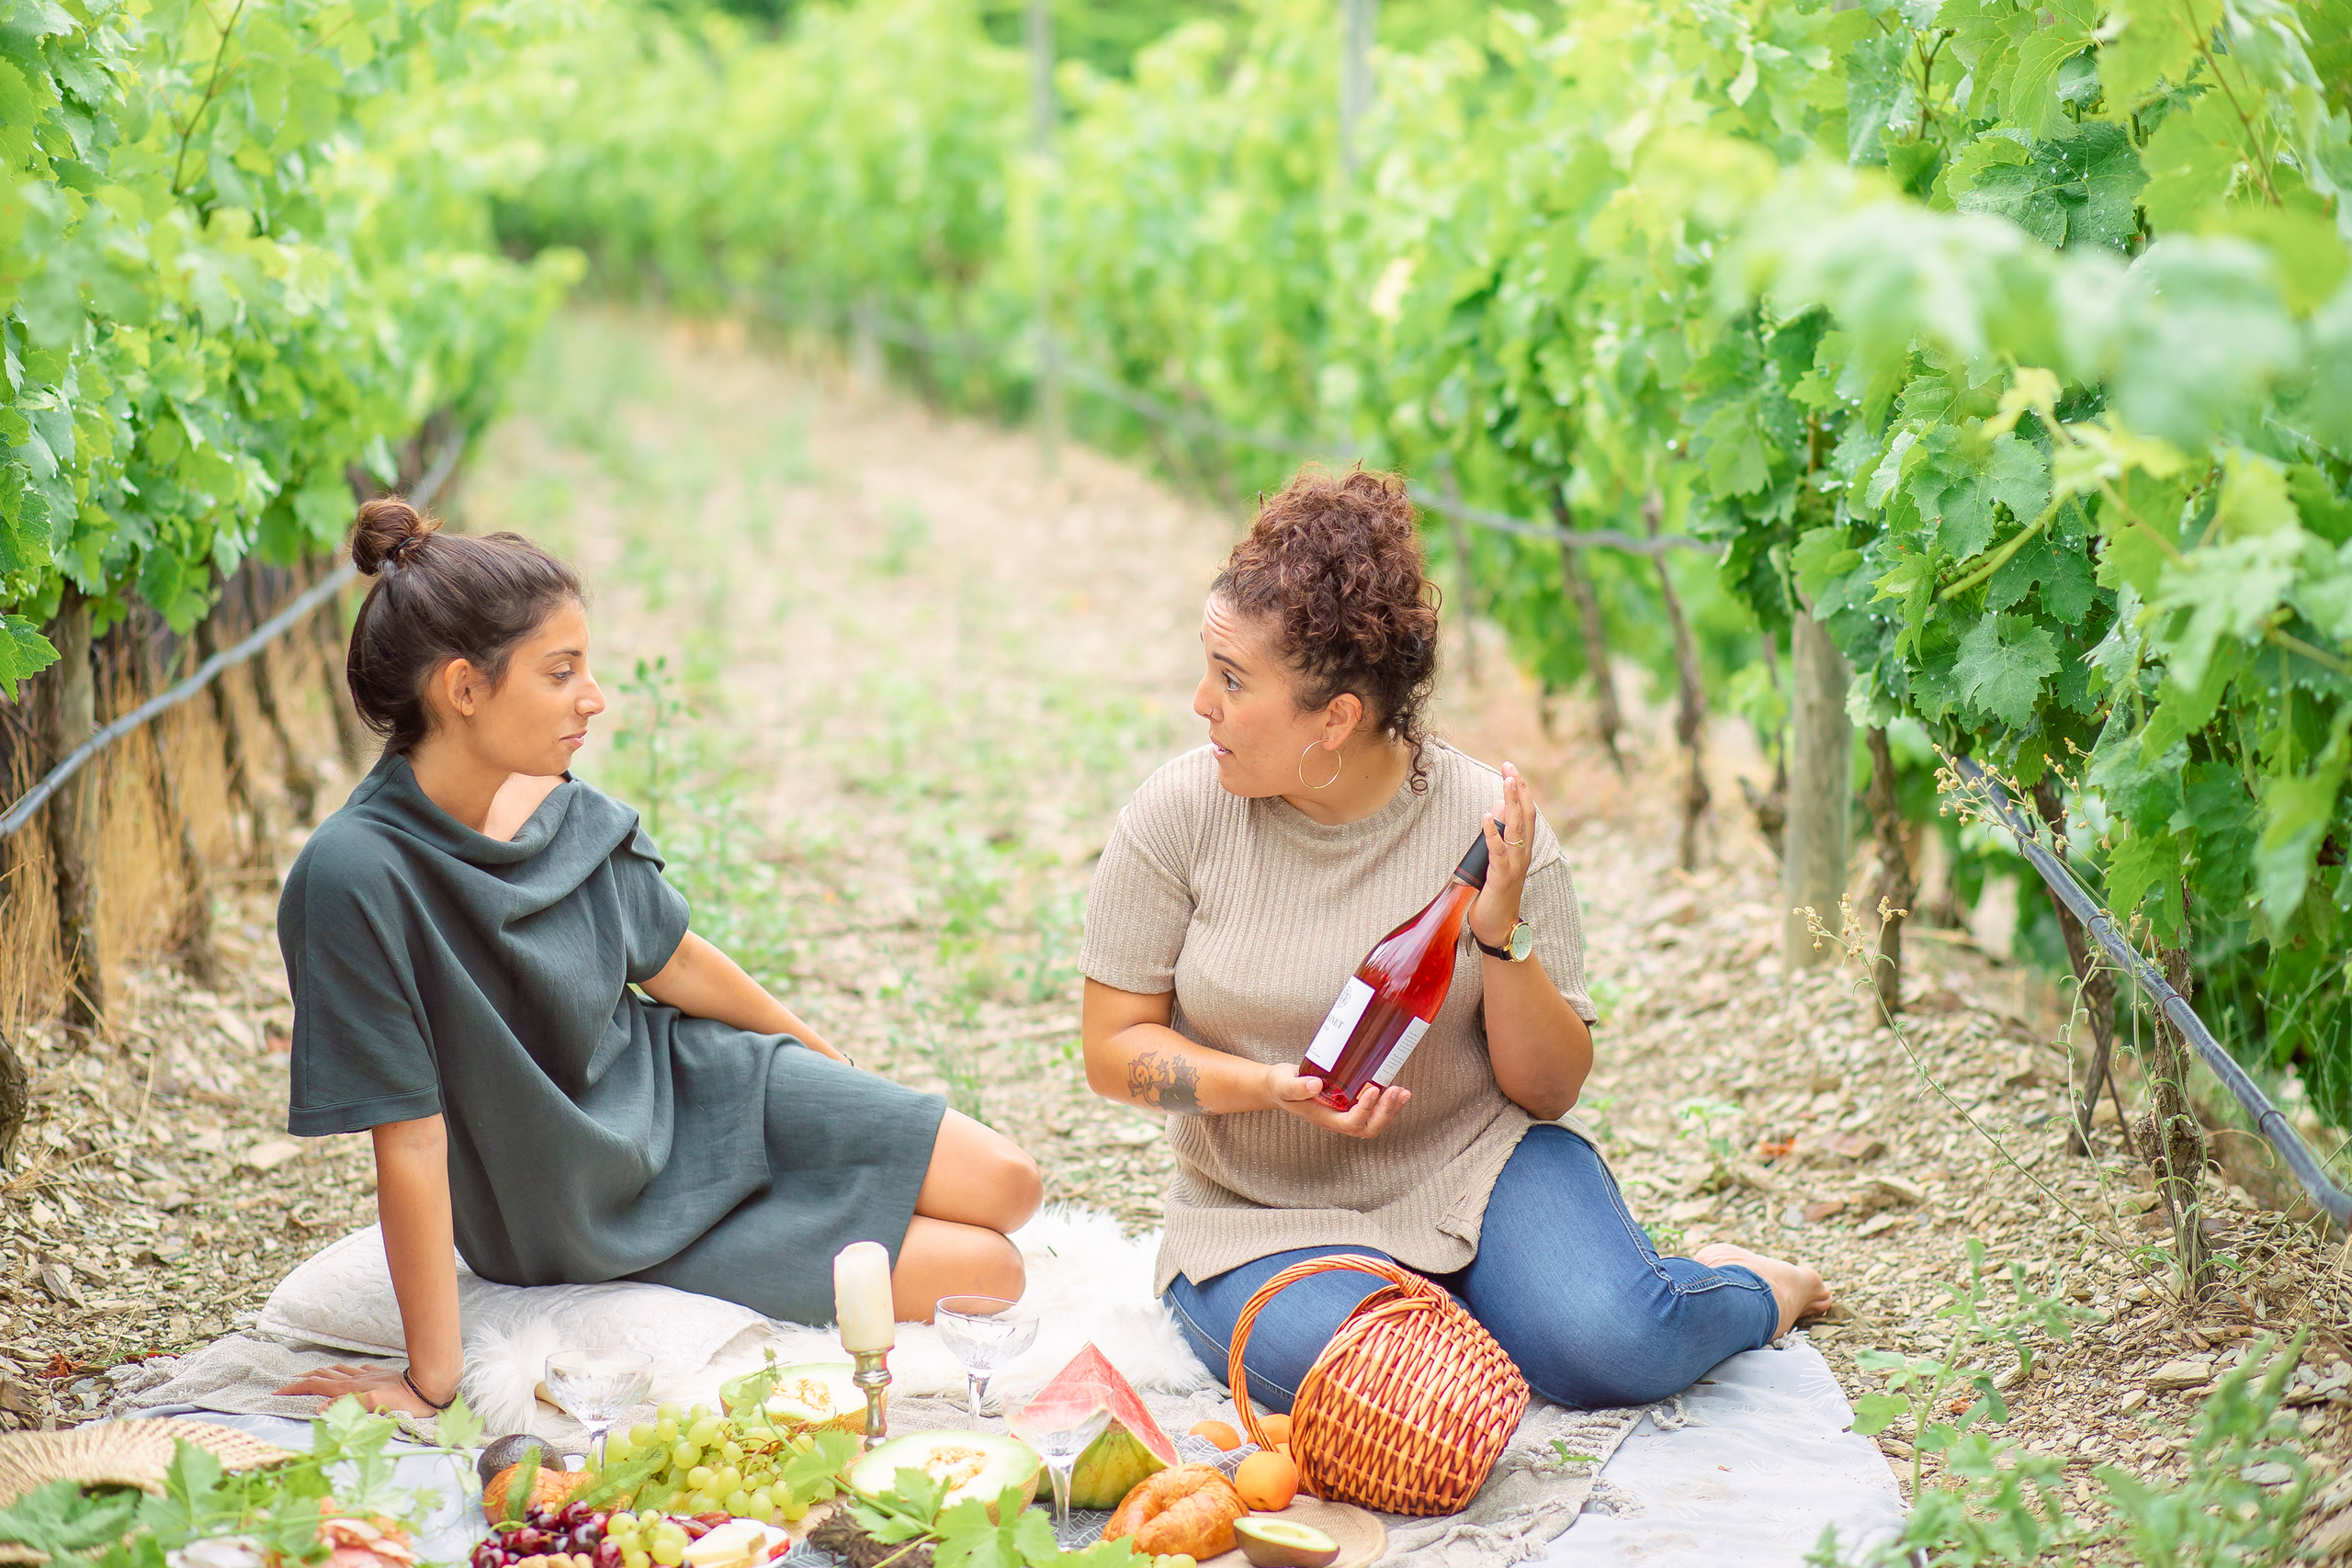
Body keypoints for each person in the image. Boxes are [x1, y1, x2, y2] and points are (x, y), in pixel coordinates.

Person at [1079, 466, 1830, 1414]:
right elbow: (1113, 1052)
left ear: (1336, 718)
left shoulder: (1488, 829)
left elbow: (1550, 1090)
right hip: (1262, 1219)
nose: (1200, 702)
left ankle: (1744, 1285)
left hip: (1475, 1173)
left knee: (1618, 1345)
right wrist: (1268, 1088)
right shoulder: (1179, 816)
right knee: (1410, 1399)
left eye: (1231, 679)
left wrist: (1499, 936)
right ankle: (1466, 1317)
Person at [274, 499, 1040, 1418]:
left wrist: (828, 1069)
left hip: (693, 1085)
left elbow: (676, 962)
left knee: (1011, 1184)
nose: (593, 697)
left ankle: (808, 1178)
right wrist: (429, 1378)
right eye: (562, 671)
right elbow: (409, 1138)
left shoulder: (553, 795)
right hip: (585, 1207)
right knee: (989, 1273)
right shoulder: (354, 875)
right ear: (464, 689)